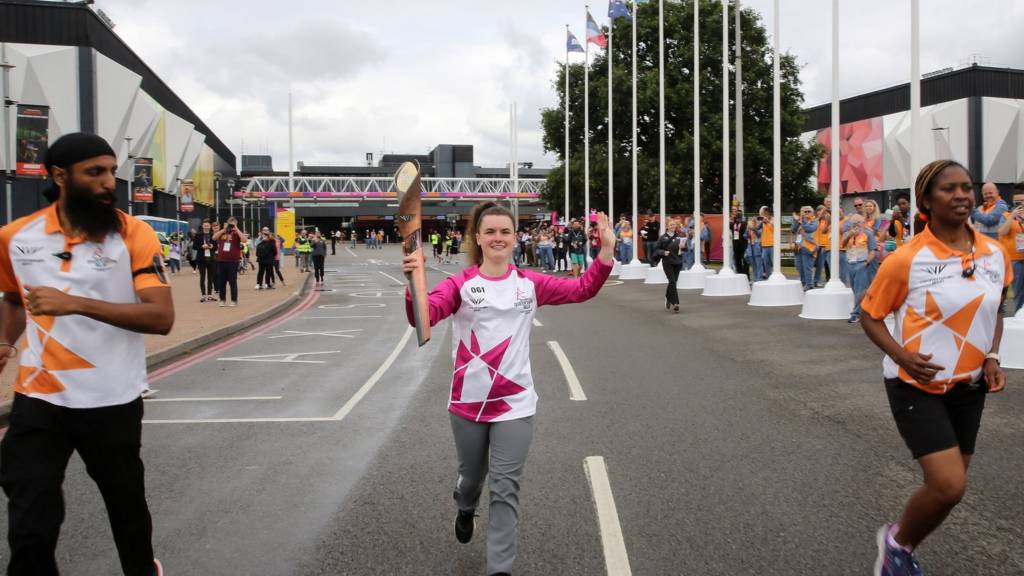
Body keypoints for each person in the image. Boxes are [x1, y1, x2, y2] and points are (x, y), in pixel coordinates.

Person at [401, 202, 614, 576]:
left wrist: (607, 251)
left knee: (505, 488)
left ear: (515, 238)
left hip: (515, 405)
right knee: (471, 479)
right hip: (468, 405)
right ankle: (466, 506)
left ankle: (499, 569)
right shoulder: (460, 285)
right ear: (478, 238)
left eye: (504, 231)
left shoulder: (530, 284)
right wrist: (413, 283)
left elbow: (582, 289)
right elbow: (425, 318)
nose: (497, 238)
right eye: (490, 232)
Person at [0, 132, 173, 576]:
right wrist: (5, 341)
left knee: (126, 507)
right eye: (95, 172)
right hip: (39, 397)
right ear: (60, 176)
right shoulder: (15, 237)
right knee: (29, 515)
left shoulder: (133, 234)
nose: (108, 181)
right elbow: (15, 299)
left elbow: (161, 317)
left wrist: (74, 303)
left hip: (110, 397)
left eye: (111, 171)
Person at [860, 160, 1010, 575]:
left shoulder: (995, 254)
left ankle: (902, 546)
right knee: (949, 484)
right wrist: (901, 355)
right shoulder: (906, 259)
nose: (961, 195)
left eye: (966, 187)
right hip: (914, 384)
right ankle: (895, 545)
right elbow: (870, 315)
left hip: (969, 387)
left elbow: (996, 308)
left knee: (948, 488)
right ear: (926, 200)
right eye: (948, 189)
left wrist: (993, 356)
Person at [842, 214, 878, 323]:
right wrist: (850, 234)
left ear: (863, 223)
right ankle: (866, 310)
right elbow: (842, 244)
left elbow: (873, 250)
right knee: (854, 288)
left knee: (860, 290)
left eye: (858, 222)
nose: (856, 225)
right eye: (853, 223)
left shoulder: (868, 234)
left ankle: (856, 314)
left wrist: (867, 262)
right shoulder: (848, 233)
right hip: (850, 263)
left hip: (861, 264)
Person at [996, 183, 1024, 314]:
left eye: (1023, 201)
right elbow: (1001, 232)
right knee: (1015, 293)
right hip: (1014, 260)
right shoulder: (1006, 215)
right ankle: (1013, 318)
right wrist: (1012, 216)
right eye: (1018, 202)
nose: (1021, 204)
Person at [653, 219, 686, 312]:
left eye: (674, 224)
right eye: (671, 225)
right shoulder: (662, 238)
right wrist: (663, 252)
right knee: (672, 281)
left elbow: (685, 249)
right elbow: (656, 250)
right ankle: (676, 303)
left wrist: (683, 248)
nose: (673, 226)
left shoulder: (680, 236)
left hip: (678, 262)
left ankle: (668, 296)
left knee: (673, 282)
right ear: (667, 226)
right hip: (667, 263)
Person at [214, 217, 247, 307]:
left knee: (232, 281)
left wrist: (236, 229)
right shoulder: (223, 232)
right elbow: (214, 237)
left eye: (233, 224)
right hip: (221, 260)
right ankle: (222, 300)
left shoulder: (237, 233)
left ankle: (234, 300)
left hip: (233, 261)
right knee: (222, 281)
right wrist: (223, 229)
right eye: (230, 224)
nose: (231, 226)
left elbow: (244, 240)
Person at [791, 206, 819, 291]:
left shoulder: (814, 221)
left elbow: (809, 229)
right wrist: (796, 220)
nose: (806, 213)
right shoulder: (800, 221)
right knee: (799, 267)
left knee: (807, 268)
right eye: (804, 211)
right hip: (799, 247)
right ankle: (804, 283)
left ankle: (809, 285)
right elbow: (793, 230)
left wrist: (802, 221)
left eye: (808, 211)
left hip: (809, 248)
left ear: (812, 213)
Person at [195, 220, 217, 302]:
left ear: (210, 226)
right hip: (201, 259)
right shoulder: (198, 235)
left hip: (211, 259)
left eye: (208, 225)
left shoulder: (213, 235)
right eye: (205, 225)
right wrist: (202, 246)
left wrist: (212, 247)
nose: (206, 227)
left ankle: (210, 295)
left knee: (210, 278)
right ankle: (203, 295)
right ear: (203, 226)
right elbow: (194, 246)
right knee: (202, 277)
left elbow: (216, 247)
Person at [814, 204, 832, 287]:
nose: (821, 213)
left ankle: (829, 280)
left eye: (822, 212)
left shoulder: (828, 220)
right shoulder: (816, 220)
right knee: (817, 264)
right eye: (819, 211)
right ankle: (815, 280)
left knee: (825, 264)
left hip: (826, 245)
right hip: (817, 245)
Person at [729, 208, 748, 275]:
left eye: (739, 218)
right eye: (737, 218)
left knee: (744, 259)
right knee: (737, 259)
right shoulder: (732, 225)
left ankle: (746, 273)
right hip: (736, 245)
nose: (738, 220)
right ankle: (739, 272)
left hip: (743, 244)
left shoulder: (744, 224)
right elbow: (727, 223)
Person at [759, 207, 775, 279]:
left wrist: (768, 221)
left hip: (772, 245)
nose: (764, 214)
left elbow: (776, 228)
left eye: (765, 212)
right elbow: (757, 229)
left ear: (768, 213)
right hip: (764, 245)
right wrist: (762, 222)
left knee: (774, 262)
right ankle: (769, 278)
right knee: (766, 263)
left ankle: (775, 277)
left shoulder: (773, 219)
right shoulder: (762, 221)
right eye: (763, 213)